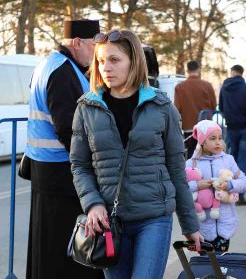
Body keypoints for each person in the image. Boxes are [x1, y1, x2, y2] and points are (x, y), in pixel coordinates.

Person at [70, 29, 202, 279]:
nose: (105, 67)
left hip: (153, 218)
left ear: (134, 61)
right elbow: (80, 166)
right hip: (109, 222)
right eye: (100, 61)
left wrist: (190, 225)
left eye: (114, 60)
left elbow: (177, 169)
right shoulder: (86, 108)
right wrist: (93, 204)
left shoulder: (163, 108)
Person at [24, 19, 103, 279]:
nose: (96, 53)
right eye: (94, 45)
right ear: (77, 42)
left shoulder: (49, 64)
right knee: (69, 253)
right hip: (62, 173)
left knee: (48, 247)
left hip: (45, 170)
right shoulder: (63, 72)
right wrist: (94, 161)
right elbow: (68, 130)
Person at [186, 120, 246, 252]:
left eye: (220, 138)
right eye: (212, 138)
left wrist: (229, 185)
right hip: (201, 225)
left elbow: (244, 182)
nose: (218, 142)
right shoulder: (191, 164)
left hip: (225, 225)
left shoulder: (228, 160)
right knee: (205, 262)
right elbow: (181, 188)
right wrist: (197, 185)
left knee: (220, 261)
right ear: (202, 141)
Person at [219, 64, 246, 205]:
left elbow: (222, 107)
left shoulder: (224, 88)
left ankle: (228, 190)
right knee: (242, 160)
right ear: (242, 74)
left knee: (231, 160)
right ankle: (240, 194)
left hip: (231, 128)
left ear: (232, 72)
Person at [174, 60, 217, 159]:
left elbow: (177, 108)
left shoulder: (180, 87)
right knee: (207, 154)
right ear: (199, 69)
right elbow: (213, 106)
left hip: (189, 127)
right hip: (206, 126)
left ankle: (192, 173)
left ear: (187, 70)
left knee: (192, 154)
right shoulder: (207, 86)